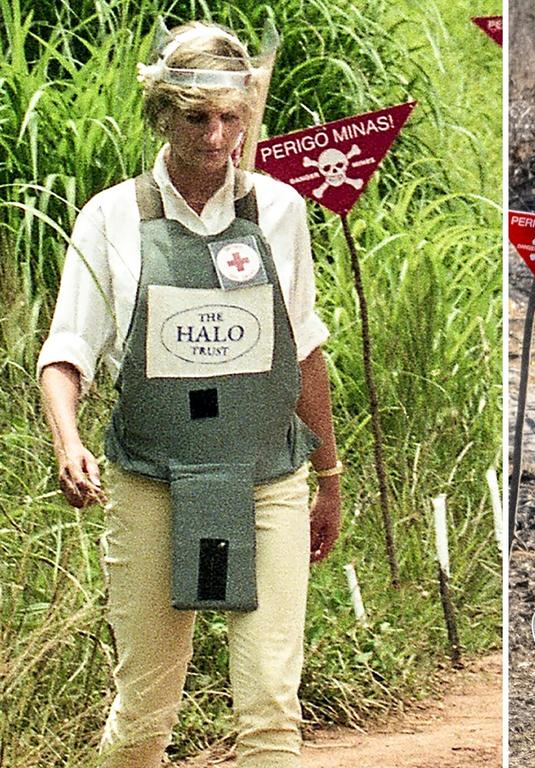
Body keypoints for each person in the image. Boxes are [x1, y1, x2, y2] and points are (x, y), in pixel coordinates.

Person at [37, 20, 341, 768]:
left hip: (266, 480)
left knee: (271, 708)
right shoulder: (110, 217)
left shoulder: (280, 212)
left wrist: (328, 477)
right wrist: (67, 440)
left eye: (233, 116)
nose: (217, 137)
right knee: (144, 712)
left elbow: (303, 348)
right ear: (162, 114)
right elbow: (66, 351)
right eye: (198, 118)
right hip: (153, 483)